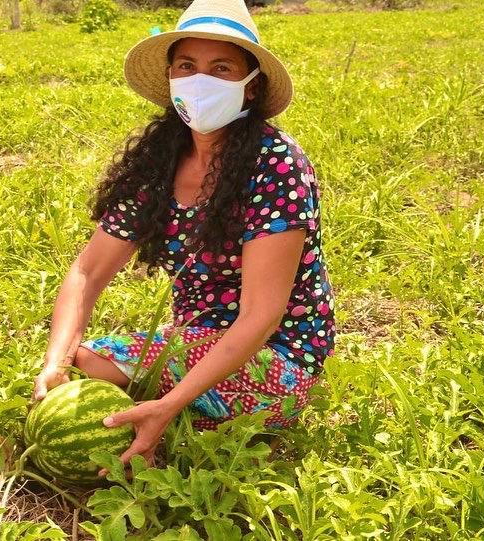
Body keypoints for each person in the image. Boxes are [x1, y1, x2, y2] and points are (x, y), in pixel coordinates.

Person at [31, 0, 336, 474]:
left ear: (250, 87)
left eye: (221, 69)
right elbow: (88, 271)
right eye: (187, 67)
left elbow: (261, 315)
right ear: (171, 78)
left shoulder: (277, 165)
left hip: (276, 354)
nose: (201, 81)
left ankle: (176, 416)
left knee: (103, 369)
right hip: (196, 339)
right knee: (86, 362)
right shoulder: (159, 162)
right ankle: (174, 416)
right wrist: (55, 361)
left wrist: (169, 402)